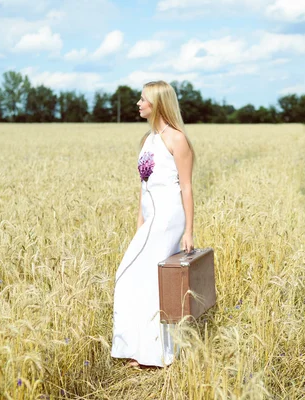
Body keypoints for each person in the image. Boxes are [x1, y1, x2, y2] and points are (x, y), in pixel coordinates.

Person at [110, 80, 195, 368]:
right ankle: (143, 350)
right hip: (151, 217)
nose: (138, 103)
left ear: (158, 103)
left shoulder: (177, 138)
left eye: (143, 99)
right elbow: (143, 186)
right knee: (137, 278)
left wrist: (189, 230)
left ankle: (156, 354)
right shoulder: (147, 139)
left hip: (168, 216)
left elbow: (186, 186)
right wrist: (139, 221)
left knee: (142, 278)